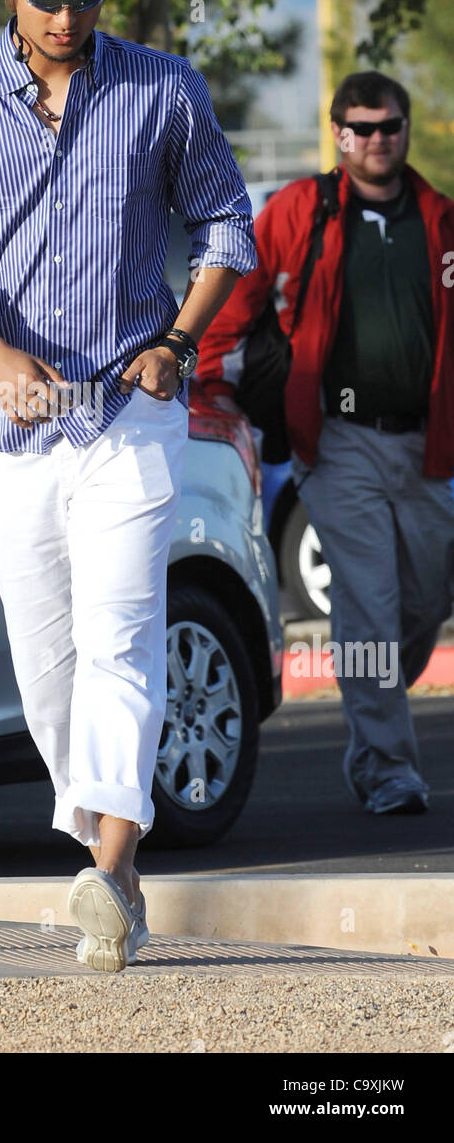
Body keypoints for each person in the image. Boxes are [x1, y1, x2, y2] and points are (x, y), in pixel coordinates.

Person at [0, 0, 256, 971]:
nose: (67, 18)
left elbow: (227, 223)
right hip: (9, 437)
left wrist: (177, 343)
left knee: (124, 637)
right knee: (48, 665)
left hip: (128, 419)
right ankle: (117, 867)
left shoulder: (164, 92)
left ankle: (109, 863)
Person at [197, 70, 454, 815]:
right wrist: (208, 383)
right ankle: (386, 769)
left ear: (406, 131)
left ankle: (371, 697)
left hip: (426, 446)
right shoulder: (300, 210)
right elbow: (235, 294)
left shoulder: (438, 220)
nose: (378, 140)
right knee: (369, 608)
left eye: (390, 126)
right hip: (336, 443)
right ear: (339, 135)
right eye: (363, 128)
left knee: (428, 599)